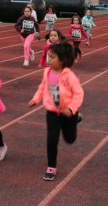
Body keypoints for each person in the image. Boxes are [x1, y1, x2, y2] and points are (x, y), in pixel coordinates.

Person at [28, 42, 84, 181]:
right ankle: (51, 167)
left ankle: (76, 119)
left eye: (52, 57)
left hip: (68, 112)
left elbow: (78, 94)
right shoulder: (47, 71)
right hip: (52, 111)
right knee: (52, 139)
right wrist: (36, 99)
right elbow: (42, 87)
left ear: (63, 60)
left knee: (70, 139)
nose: (48, 59)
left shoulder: (69, 76)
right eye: (48, 56)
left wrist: (71, 109)